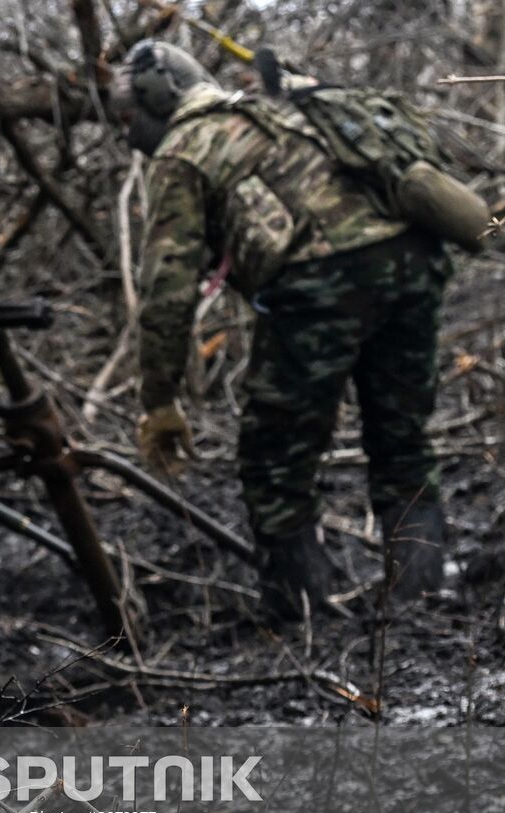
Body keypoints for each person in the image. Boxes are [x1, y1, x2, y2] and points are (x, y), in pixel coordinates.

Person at [114, 40, 453, 621]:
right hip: (412, 260)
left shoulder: (185, 149)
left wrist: (160, 399)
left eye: (129, 114)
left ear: (157, 96)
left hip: (320, 284)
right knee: (402, 442)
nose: (129, 132)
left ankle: (298, 617)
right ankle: (421, 599)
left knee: (274, 461)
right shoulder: (278, 109)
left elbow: (167, 289)